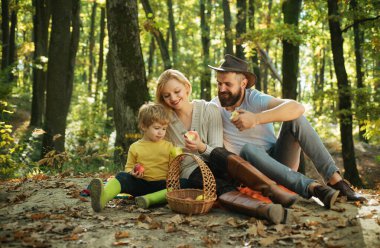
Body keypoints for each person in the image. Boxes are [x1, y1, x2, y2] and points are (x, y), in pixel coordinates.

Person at [208, 54, 366, 209]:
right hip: (249, 172)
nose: (222, 89)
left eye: (228, 84)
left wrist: (256, 118)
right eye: (219, 83)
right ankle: (314, 189)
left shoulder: (255, 98)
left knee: (296, 118)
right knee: (248, 150)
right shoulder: (213, 108)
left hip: (279, 162)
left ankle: (336, 181)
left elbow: (297, 107)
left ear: (243, 83)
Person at [154, 69, 299, 224]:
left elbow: (216, 149)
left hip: (215, 159)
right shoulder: (165, 122)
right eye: (166, 95)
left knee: (220, 155)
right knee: (219, 186)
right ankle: (264, 210)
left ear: (187, 87)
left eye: (177, 91)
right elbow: (159, 150)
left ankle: (273, 191)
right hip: (191, 170)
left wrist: (200, 146)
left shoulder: (209, 109)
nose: (173, 98)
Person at [89, 103, 180, 212]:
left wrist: (177, 159)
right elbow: (128, 168)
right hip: (141, 185)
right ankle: (103, 198)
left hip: (162, 186)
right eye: (157, 128)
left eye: (164, 129)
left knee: (183, 183)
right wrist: (132, 173)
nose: (161, 132)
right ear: (143, 126)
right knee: (121, 176)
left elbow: (174, 169)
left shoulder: (169, 146)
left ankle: (148, 200)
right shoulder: (135, 147)